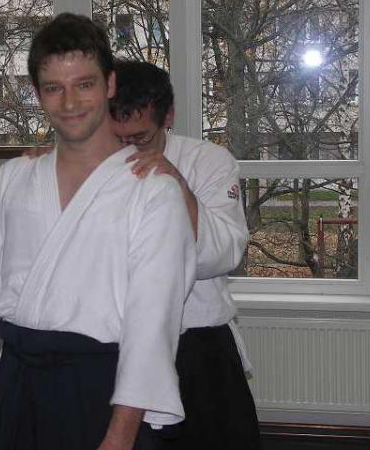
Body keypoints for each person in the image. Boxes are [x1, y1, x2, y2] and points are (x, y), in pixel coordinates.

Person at [0, 14, 197, 450]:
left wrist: (120, 437)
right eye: (53, 88)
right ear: (36, 92)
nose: (69, 103)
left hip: (105, 394)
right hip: (19, 387)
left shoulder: (154, 193)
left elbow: (151, 325)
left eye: (84, 84)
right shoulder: (13, 180)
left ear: (110, 84)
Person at [109, 59, 261, 449]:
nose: (128, 149)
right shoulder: (96, 166)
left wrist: (175, 181)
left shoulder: (208, 161)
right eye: (117, 138)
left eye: (140, 138)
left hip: (199, 344)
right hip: (117, 339)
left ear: (168, 116)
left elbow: (224, 254)